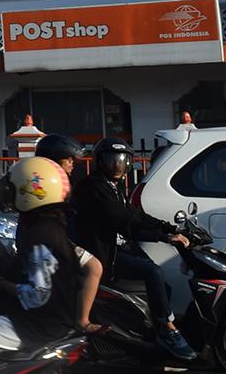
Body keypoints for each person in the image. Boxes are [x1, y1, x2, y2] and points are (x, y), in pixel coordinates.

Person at [0, 158, 105, 374]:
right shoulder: (50, 225)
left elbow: (37, 294)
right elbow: (92, 265)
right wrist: (81, 319)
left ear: (31, 192)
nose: (5, 193)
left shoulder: (39, 235)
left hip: (36, 325)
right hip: (50, 320)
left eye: (13, 189)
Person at [70, 139, 195, 360]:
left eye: (122, 161)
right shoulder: (93, 186)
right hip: (104, 253)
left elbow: (134, 215)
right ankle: (167, 330)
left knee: (163, 285)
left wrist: (170, 228)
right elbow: (123, 219)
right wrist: (163, 236)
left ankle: (153, 328)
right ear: (100, 162)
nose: (117, 167)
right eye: (111, 161)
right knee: (153, 272)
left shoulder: (113, 186)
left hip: (120, 247)